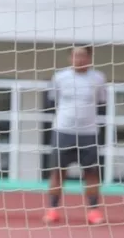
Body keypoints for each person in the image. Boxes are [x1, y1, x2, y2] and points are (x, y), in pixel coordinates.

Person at [43, 46, 107, 225]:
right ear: (70, 57)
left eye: (83, 56)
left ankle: (94, 211)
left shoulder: (98, 78)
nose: (79, 59)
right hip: (63, 131)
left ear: (89, 58)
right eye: (76, 56)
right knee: (58, 172)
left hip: (89, 133)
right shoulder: (60, 77)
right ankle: (52, 210)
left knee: (92, 173)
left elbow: (102, 102)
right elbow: (51, 100)